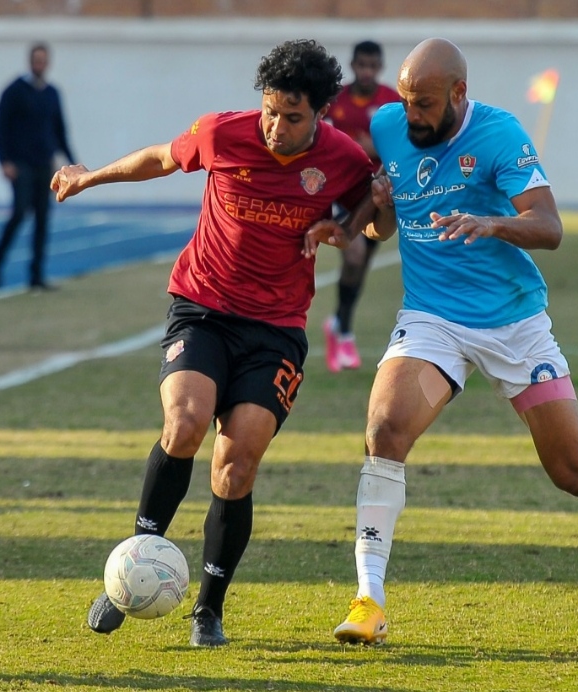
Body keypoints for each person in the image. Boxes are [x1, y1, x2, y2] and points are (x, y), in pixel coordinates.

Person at [322, 38, 578, 646]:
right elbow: (379, 228)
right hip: (432, 320)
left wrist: (492, 222)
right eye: (406, 100)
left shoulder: (500, 134)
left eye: (424, 104)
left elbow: (550, 227)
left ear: (459, 93)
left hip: (513, 324)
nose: (411, 114)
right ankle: (369, 599)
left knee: (572, 472)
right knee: (385, 432)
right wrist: (378, 208)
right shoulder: (389, 126)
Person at [51, 39, 374, 647]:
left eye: (292, 117)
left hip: (276, 329)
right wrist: (88, 177)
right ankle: (132, 569)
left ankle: (208, 609)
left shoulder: (344, 157)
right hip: (202, 309)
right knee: (185, 425)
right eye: (271, 111)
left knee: (237, 462)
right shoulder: (223, 133)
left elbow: (371, 217)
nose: (276, 127)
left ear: (320, 113)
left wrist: (353, 222)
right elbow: (159, 158)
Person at [322, 40, 401, 373]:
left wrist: (375, 148)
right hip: (343, 190)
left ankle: (339, 324)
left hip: (377, 193)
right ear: (353, 65)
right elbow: (321, 139)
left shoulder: (391, 102)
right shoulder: (335, 100)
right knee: (353, 255)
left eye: (373, 66)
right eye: (362, 65)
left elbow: (401, 147)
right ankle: (345, 332)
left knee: (360, 266)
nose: (367, 72)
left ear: (380, 68)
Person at [0, 42, 74, 291]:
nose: (40, 64)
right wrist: (4, 160)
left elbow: (60, 131)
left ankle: (36, 276)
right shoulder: (14, 91)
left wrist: (72, 162)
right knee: (19, 213)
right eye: (36, 60)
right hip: (21, 164)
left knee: (43, 218)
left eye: (43, 60)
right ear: (30, 62)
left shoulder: (52, 93)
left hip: (44, 165)